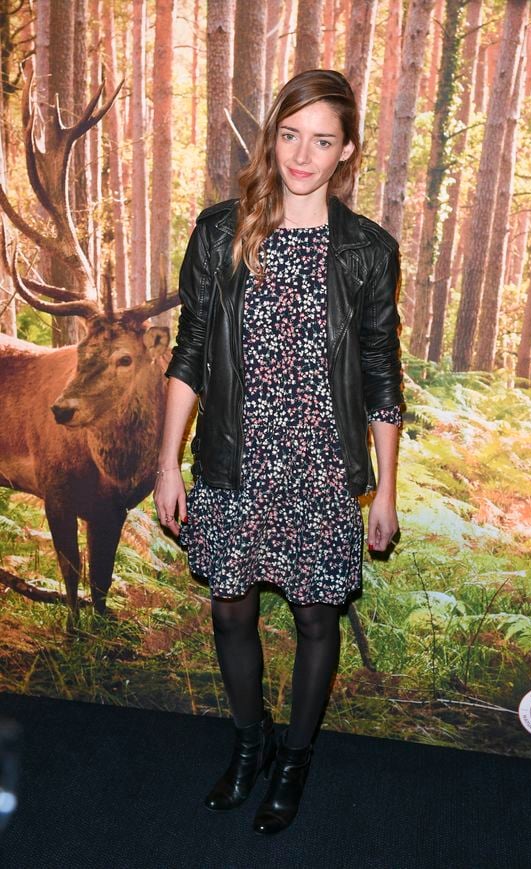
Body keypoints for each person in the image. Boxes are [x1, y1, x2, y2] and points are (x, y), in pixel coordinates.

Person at [154, 69, 404, 835]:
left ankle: (295, 758)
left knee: (314, 618)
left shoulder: (366, 251)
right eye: (290, 134)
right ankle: (249, 744)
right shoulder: (221, 231)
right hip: (234, 460)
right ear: (274, 137)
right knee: (230, 612)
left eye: (322, 139)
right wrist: (169, 460)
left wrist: (386, 489)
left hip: (322, 468)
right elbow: (191, 350)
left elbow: (380, 370)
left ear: (346, 151)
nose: (302, 153)